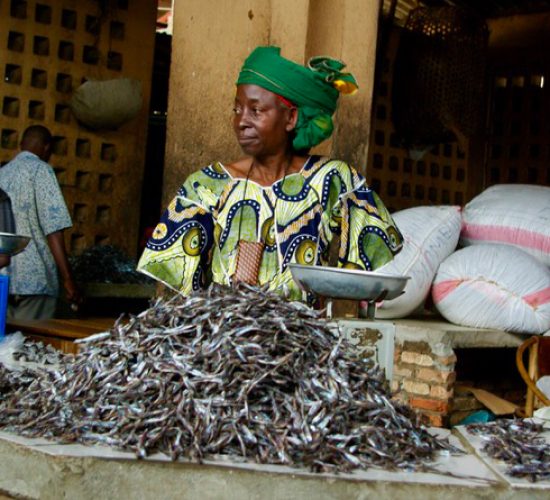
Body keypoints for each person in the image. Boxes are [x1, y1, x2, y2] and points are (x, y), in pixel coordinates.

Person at [138, 46, 403, 300]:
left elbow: (370, 249)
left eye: (256, 110)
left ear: (291, 118)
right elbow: (178, 281)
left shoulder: (331, 179)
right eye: (237, 109)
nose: (241, 121)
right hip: (224, 332)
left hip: (301, 333)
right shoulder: (206, 186)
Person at [0, 125, 80, 319]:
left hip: (3, 278)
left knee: (6, 345)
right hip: (36, 281)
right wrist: (68, 279)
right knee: (32, 345)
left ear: (20, 145)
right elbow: (53, 230)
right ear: (47, 148)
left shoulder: (2, 173)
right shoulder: (42, 171)